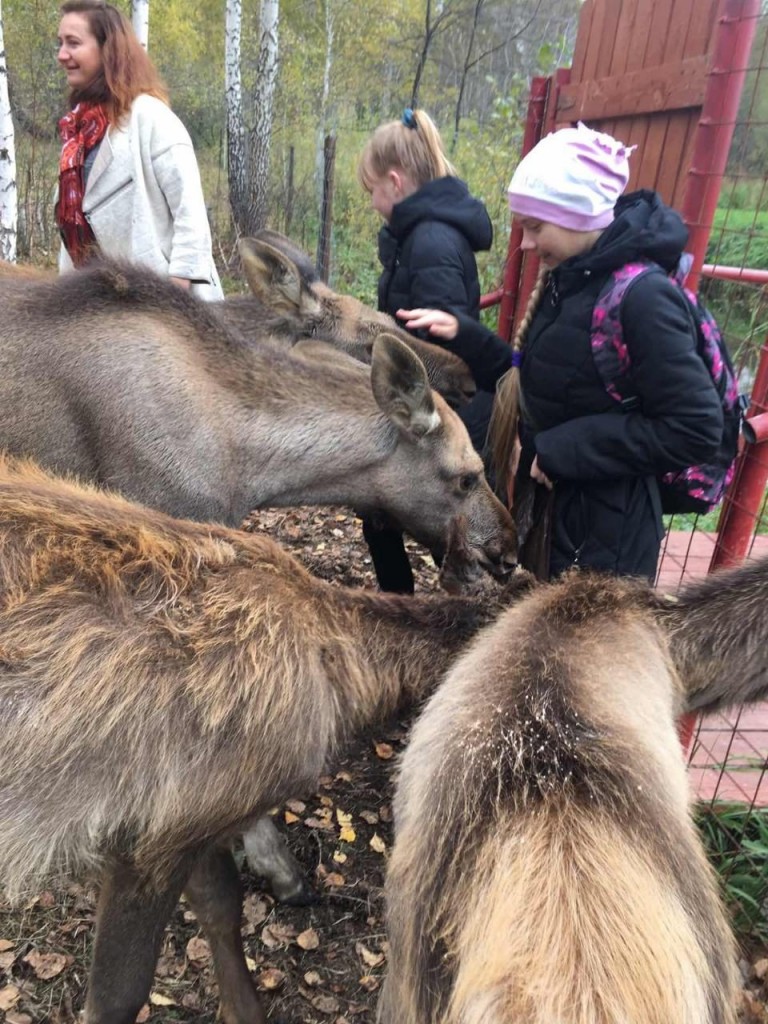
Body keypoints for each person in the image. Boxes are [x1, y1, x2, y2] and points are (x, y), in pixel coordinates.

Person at [405, 122, 724, 582]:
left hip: (606, 540)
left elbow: (695, 428)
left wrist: (561, 450)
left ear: (580, 215)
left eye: (536, 227)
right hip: (559, 514)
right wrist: (465, 334)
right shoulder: (571, 280)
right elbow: (542, 380)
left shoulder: (643, 300)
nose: (527, 244)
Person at [358, 107, 512, 593]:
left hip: (446, 410)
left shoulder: (431, 241)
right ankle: (402, 607)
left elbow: (444, 343)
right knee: (380, 515)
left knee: (447, 527)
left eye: (372, 189)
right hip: (426, 401)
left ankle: (468, 607)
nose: (372, 202)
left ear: (395, 182)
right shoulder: (416, 235)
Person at [55, 0, 222, 300]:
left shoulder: (149, 117)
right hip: (107, 310)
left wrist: (172, 302)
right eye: (61, 43)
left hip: (170, 310)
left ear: (108, 50)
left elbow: (191, 219)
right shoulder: (77, 134)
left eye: (73, 43)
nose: (62, 54)